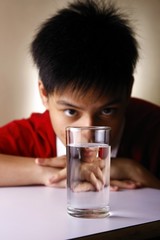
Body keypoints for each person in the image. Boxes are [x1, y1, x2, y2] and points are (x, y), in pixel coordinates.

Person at [0, 0, 160, 190]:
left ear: (127, 92)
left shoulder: (153, 128)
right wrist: (48, 173)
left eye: (107, 111)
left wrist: (133, 171)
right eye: (70, 112)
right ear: (44, 94)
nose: (88, 132)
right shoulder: (32, 135)